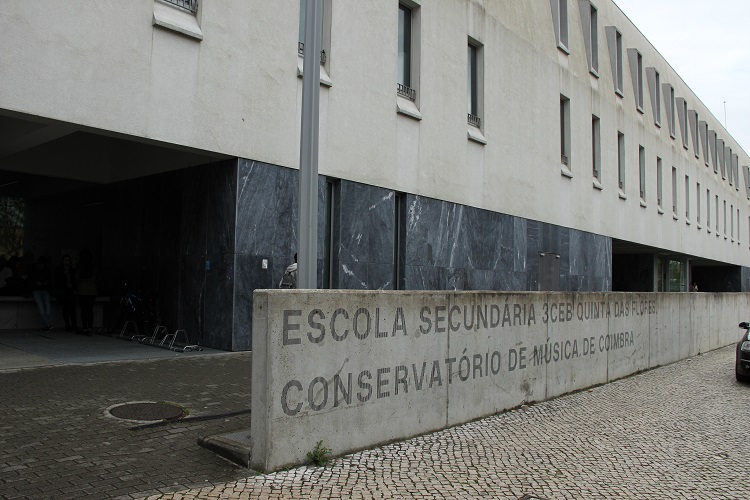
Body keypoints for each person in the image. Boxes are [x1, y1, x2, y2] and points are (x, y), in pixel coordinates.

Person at [76, 249, 97, 335]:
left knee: (83, 310)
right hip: (92, 290)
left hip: (82, 290)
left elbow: (76, 277)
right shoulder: (93, 266)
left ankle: (84, 327)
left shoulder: (79, 266)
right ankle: (90, 327)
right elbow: (96, 278)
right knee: (90, 310)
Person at [55, 254, 77, 331]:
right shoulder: (59, 270)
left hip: (70, 290)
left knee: (72, 309)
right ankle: (67, 325)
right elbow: (58, 281)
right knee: (65, 309)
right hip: (63, 291)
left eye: (68, 260)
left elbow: (74, 281)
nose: (67, 262)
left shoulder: (72, 270)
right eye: (65, 260)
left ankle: (74, 325)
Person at [31, 256, 53, 331]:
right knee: (43, 306)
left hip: (44, 289)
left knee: (46, 306)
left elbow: (50, 280)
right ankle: (47, 324)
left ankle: (46, 325)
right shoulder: (35, 270)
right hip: (38, 290)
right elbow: (31, 280)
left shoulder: (46, 270)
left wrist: (44, 283)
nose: (41, 265)